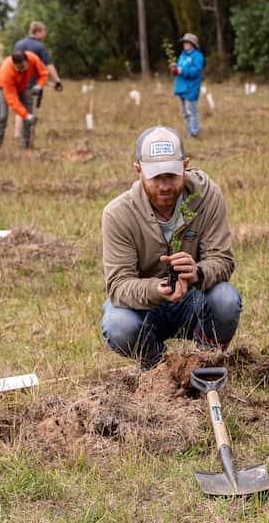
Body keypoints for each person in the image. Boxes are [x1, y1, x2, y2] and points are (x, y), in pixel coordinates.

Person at [101, 126, 241, 370]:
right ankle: (158, 368)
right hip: (144, 307)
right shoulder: (118, 214)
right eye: (155, 177)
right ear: (138, 170)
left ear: (185, 165)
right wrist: (158, 289)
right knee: (118, 323)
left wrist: (198, 272)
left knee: (226, 299)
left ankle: (205, 362)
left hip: (193, 298)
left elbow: (222, 260)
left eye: (171, 176)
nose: (164, 186)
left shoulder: (208, 197)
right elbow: (118, 286)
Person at [0, 50, 50, 149]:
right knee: (2, 116)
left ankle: (25, 146)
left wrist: (39, 86)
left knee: (30, 112)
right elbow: (12, 99)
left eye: (23, 67)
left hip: (22, 86)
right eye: (18, 69)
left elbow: (43, 73)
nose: (22, 71)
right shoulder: (7, 71)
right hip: (2, 87)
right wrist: (26, 115)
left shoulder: (33, 58)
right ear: (14, 65)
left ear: (27, 61)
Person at [13, 21, 65, 114]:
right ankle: (29, 129)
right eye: (44, 32)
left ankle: (18, 129)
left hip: (18, 83)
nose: (45, 35)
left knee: (21, 111)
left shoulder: (18, 44)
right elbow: (49, 65)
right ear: (38, 32)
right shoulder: (40, 46)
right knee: (32, 110)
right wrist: (57, 81)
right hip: (34, 85)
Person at [171, 33, 205, 138]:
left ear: (193, 44)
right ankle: (190, 130)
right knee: (185, 112)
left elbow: (196, 71)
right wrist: (175, 69)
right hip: (181, 87)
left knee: (191, 111)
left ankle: (194, 132)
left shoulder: (197, 56)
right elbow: (179, 71)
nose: (184, 44)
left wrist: (181, 70)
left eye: (187, 42)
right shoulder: (182, 56)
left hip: (191, 88)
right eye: (184, 42)